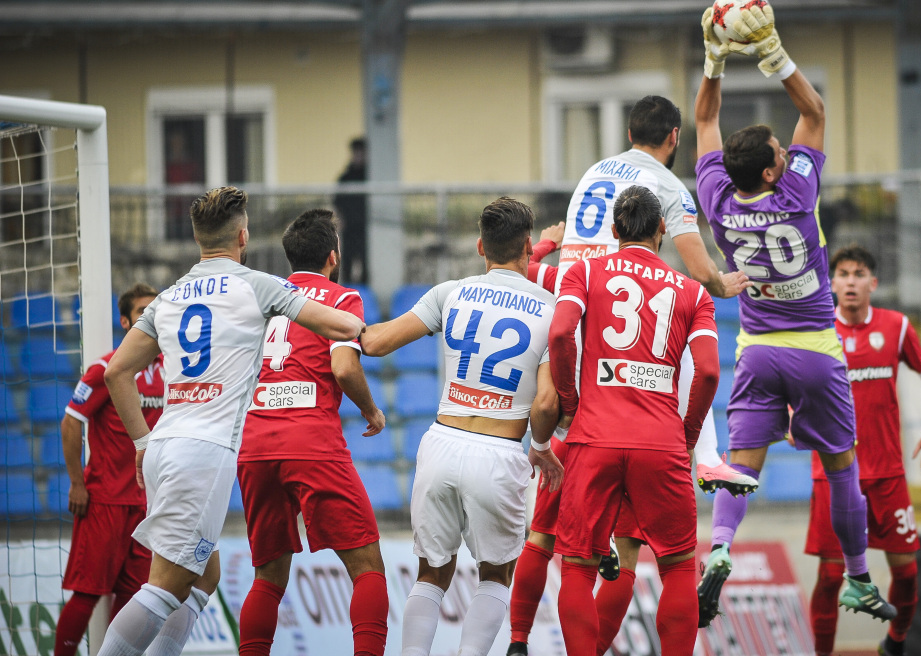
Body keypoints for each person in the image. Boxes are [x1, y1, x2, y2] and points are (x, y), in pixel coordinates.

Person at [507, 96, 754, 656]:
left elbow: (558, 300)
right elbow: (705, 329)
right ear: (674, 136)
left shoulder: (595, 172)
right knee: (651, 555)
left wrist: (567, 395)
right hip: (649, 401)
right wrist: (721, 281)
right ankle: (706, 453)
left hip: (581, 361)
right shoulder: (670, 194)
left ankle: (518, 640)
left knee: (550, 538)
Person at [692, 2, 896, 626]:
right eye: (781, 149)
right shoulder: (798, 193)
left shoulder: (717, 198)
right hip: (815, 349)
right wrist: (771, 50)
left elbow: (704, 115)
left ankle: (720, 548)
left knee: (741, 466)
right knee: (841, 470)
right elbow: (815, 111)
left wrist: (715, 57)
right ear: (776, 168)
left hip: (756, 349)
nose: (788, 146)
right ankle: (860, 579)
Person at [97, 186, 366, 656]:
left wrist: (140, 443)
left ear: (197, 240)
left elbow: (117, 372)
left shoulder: (168, 297)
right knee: (163, 587)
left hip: (163, 446)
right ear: (243, 235)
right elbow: (342, 327)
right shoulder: (257, 284)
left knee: (204, 576)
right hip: (203, 454)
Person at [361, 197, 564, 656]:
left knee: (431, 574)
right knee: (495, 574)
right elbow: (547, 402)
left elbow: (375, 342)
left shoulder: (450, 292)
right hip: (500, 450)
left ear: (479, 247)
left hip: (441, 444)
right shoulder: (550, 309)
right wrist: (542, 444)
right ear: (528, 247)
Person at [550, 185, 720, 656]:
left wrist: (570, 400)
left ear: (614, 230)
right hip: (661, 442)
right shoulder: (692, 291)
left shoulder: (583, 270)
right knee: (679, 567)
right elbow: (707, 371)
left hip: (594, 435)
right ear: (663, 228)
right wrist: (686, 436)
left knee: (580, 567)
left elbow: (562, 330)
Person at [235, 209, 389, 656]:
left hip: (256, 444)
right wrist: (372, 411)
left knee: (268, 577)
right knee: (368, 569)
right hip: (312, 442)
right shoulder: (340, 299)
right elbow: (343, 367)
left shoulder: (261, 298)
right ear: (333, 257)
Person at [807, 246, 921, 656]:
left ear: (873, 283)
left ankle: (895, 642)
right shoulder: (816, 330)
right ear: (831, 283)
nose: (851, 281)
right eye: (843, 274)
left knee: (907, 574)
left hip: (887, 473)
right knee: (830, 577)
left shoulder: (897, 326)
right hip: (833, 474)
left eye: (859, 273)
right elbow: (794, 383)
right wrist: (796, 414)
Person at [54, 284, 164, 656]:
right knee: (86, 595)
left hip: (146, 508)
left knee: (134, 599)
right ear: (125, 321)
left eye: (156, 310)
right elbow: (71, 422)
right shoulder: (107, 368)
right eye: (142, 312)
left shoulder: (173, 370)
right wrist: (76, 483)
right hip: (104, 502)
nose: (151, 317)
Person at [335, 137, 368, 285]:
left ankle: (366, 290)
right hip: (349, 228)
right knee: (347, 262)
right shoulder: (345, 177)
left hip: (367, 227)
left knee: (366, 262)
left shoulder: (370, 176)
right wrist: (340, 219)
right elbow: (338, 201)